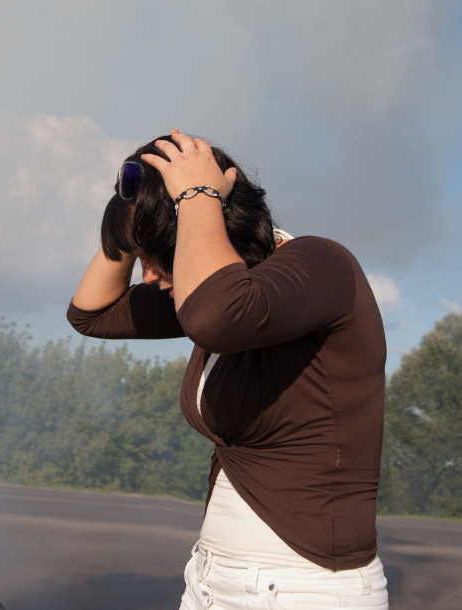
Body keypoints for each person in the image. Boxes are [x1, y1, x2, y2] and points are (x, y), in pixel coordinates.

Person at [67, 131, 389, 609]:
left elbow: (214, 318)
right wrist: (131, 222)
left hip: (305, 590)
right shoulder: (221, 295)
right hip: (211, 579)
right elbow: (91, 313)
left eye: (155, 258)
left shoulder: (321, 265)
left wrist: (197, 196)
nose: (147, 276)